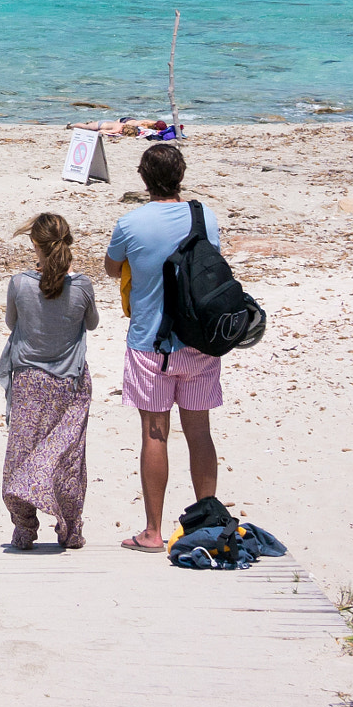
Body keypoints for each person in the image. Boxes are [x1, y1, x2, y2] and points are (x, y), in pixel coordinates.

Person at [105, 141, 222, 553]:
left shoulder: (131, 223)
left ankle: (153, 532)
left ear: (143, 178)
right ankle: (204, 525)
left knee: (155, 435)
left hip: (149, 343)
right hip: (199, 342)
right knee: (200, 433)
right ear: (182, 174)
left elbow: (111, 266)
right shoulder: (203, 215)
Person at [0, 213, 98, 550]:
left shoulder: (20, 284)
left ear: (34, 244)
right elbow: (92, 323)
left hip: (29, 382)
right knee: (68, 459)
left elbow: (13, 323)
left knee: (21, 455)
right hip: (69, 384)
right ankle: (70, 530)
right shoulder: (81, 285)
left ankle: (24, 529)